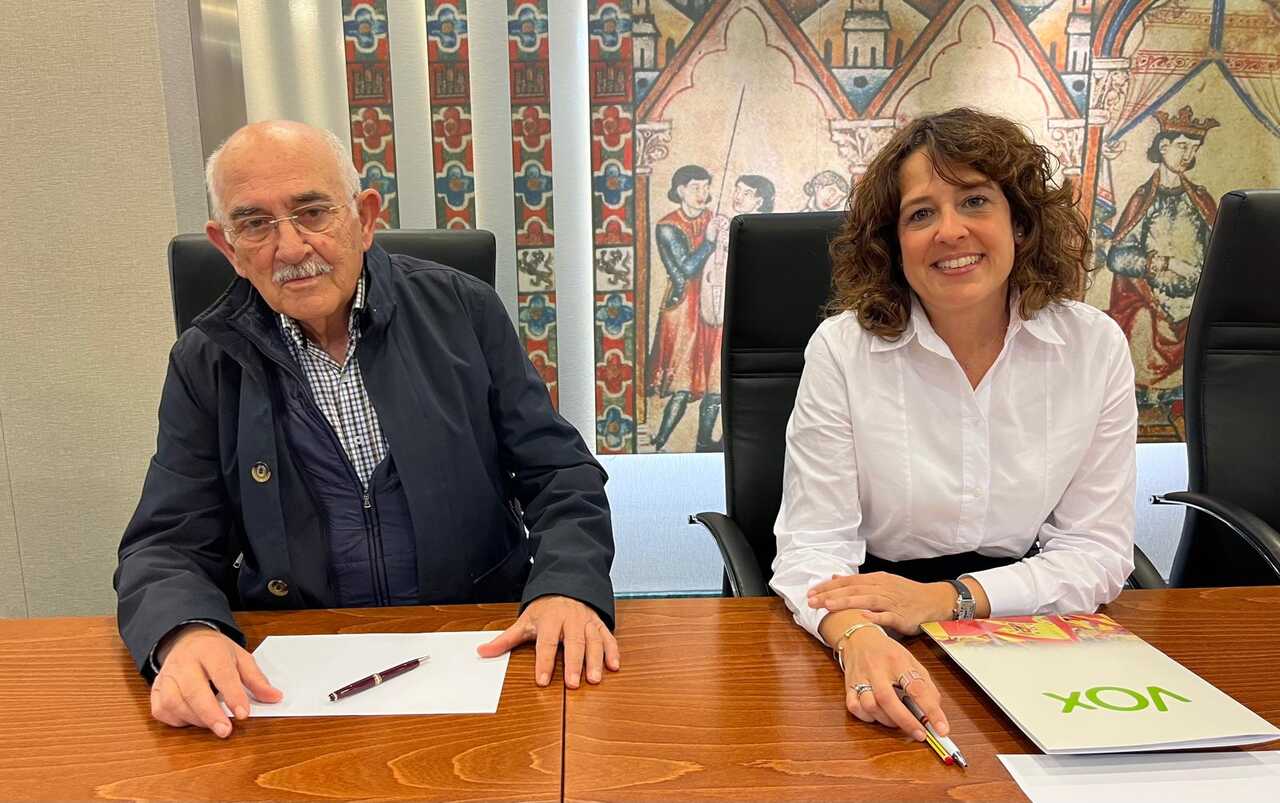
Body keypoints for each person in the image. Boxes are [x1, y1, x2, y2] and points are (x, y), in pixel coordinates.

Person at [115, 121, 619, 739]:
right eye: (256, 224)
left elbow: (560, 474)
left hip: (480, 642)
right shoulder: (206, 360)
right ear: (228, 248)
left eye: (312, 212)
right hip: (296, 675)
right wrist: (184, 631)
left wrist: (567, 585)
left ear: (365, 217)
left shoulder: (462, 310)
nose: (290, 247)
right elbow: (166, 541)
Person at [771, 107, 1136, 743]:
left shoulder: (1093, 346)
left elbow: (1096, 550)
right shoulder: (843, 349)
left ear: (1020, 222)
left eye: (974, 201)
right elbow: (814, 543)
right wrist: (855, 636)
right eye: (920, 214)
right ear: (893, 243)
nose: (950, 231)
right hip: (873, 613)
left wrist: (944, 600)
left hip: (1026, 616)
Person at [1105, 105, 1219, 435]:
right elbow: (1118, 258)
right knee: (1141, 324)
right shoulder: (1143, 198)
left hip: (1192, 303)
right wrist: (1166, 264)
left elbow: (1219, 252)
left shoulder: (1200, 200)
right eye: (1182, 146)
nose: (1188, 155)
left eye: (1194, 148)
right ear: (1164, 146)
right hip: (1148, 301)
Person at [647, 164, 727, 452]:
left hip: (710, 304)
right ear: (681, 190)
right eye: (695, 187)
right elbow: (686, 269)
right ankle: (660, 443)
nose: (702, 193)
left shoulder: (712, 218)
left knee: (713, 380)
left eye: (706, 187)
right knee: (682, 382)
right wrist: (709, 241)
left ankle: (703, 444)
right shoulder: (668, 226)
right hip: (683, 309)